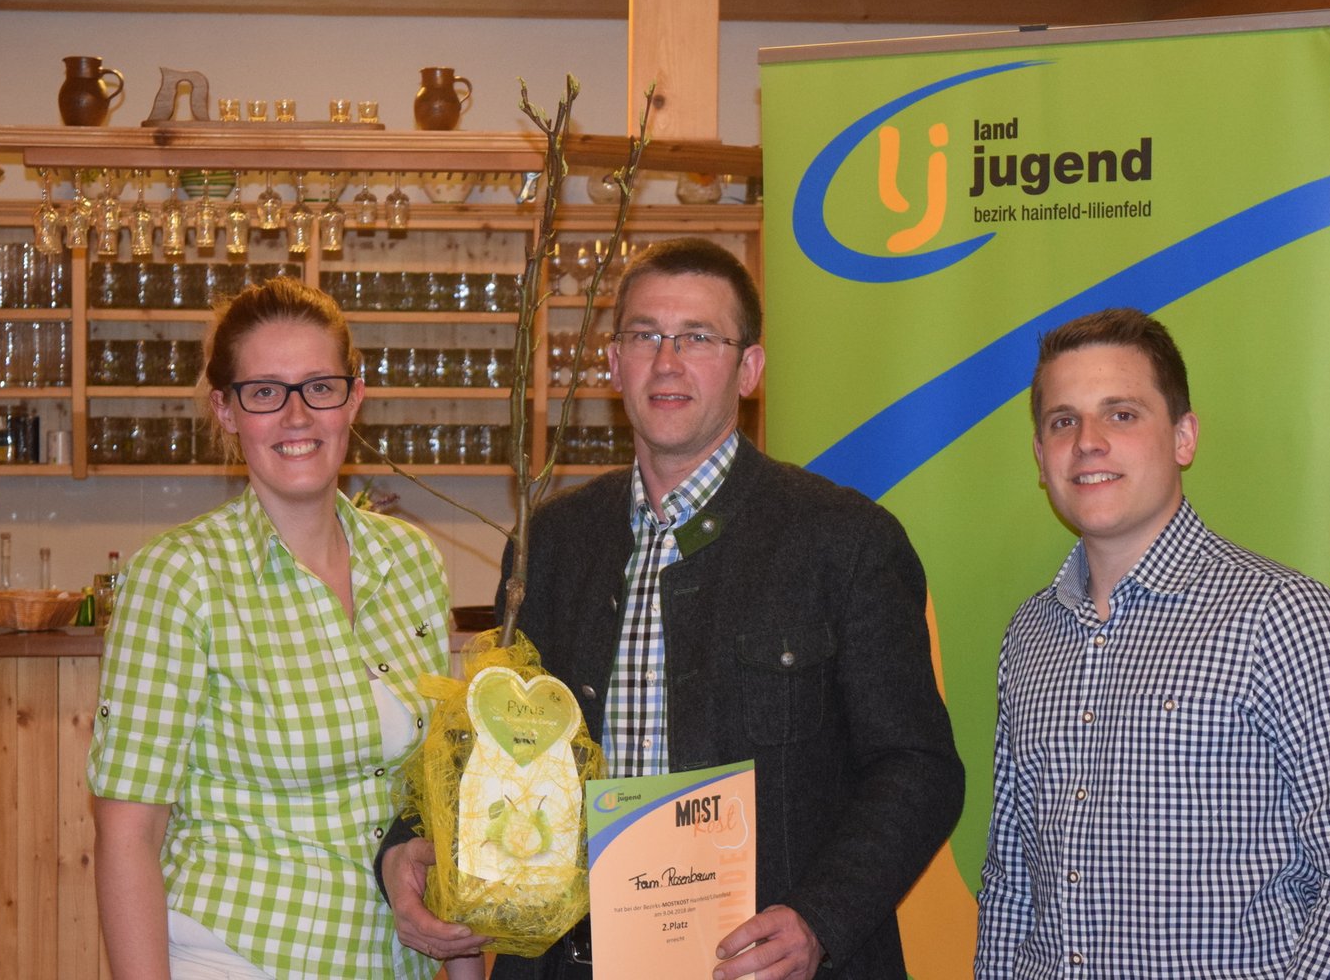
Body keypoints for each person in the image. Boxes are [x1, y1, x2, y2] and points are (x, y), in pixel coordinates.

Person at [379, 237, 965, 980]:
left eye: (698, 337)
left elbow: (917, 767)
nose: (667, 361)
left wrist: (821, 918)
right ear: (612, 362)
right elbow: (491, 740)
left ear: (749, 369)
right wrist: (405, 844)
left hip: (759, 967)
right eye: (645, 335)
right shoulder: (551, 543)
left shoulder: (845, 540)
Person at [975, 307, 1330, 977]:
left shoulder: (1286, 618)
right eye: (1063, 421)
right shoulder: (1031, 636)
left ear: (1183, 437)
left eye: (1121, 414)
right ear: (1041, 459)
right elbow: (1012, 879)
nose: (1089, 442)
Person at [87, 277, 476, 980]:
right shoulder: (179, 576)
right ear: (226, 410)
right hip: (239, 955)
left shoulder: (411, 561)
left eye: (319, 387)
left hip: (393, 961)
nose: (297, 416)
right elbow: (127, 836)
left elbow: (434, 793)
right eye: (265, 392)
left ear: (353, 398)